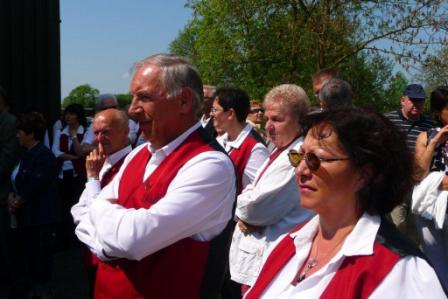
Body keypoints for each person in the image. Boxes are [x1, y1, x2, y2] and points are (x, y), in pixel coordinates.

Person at [74, 53, 236, 299]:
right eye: (133, 98)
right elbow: (79, 211)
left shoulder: (211, 165)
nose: (132, 110)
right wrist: (109, 244)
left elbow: (132, 239)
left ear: (183, 101)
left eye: (144, 97)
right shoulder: (138, 154)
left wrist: (101, 217)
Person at [245, 107, 446, 299]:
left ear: (363, 175)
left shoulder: (401, 272)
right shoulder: (290, 243)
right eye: (298, 157)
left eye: (317, 159)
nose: (300, 171)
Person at [229, 84, 314, 296]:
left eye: (277, 119)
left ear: (299, 121)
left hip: (273, 259)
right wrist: (247, 199)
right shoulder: (280, 149)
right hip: (260, 257)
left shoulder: (295, 157)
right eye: (267, 119)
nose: (268, 126)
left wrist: (242, 207)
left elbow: (254, 209)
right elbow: (252, 196)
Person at [71, 108, 132, 298]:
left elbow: (105, 218)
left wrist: (92, 178)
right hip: (94, 254)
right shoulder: (100, 160)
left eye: (106, 132)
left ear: (125, 132)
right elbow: (78, 209)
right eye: (96, 133)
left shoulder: (131, 165)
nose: (99, 138)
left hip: (115, 263)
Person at [9, 112, 58, 299]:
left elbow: (36, 185)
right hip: (27, 219)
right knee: (31, 262)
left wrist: (18, 199)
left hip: (40, 220)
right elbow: (17, 180)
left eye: (20, 131)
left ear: (31, 133)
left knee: (40, 263)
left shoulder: (43, 156)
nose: (17, 135)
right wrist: (12, 196)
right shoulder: (26, 155)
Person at [385, 84, 434, 239]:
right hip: (396, 184)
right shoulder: (387, 120)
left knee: (416, 231)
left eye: (420, 101)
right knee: (397, 226)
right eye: (413, 100)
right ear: (403, 100)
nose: (416, 105)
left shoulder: (430, 126)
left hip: (419, 185)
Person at [413, 86, 448, 291]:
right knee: (436, 261)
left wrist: (435, 182)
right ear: (436, 112)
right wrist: (435, 142)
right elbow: (418, 174)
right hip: (428, 211)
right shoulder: (425, 137)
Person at [212, 87, 269, 192]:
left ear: (230, 114)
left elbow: (259, 193)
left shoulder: (256, 149)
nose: (212, 114)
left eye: (215, 110)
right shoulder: (220, 141)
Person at [52, 103, 88, 249]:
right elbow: (56, 152)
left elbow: (81, 152)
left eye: (72, 113)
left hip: (79, 175)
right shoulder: (60, 132)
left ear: (78, 116)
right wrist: (74, 158)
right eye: (67, 113)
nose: (68, 116)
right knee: (64, 207)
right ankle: (65, 239)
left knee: (78, 206)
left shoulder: (85, 131)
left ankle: (78, 238)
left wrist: (74, 137)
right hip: (63, 175)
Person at [0, 86, 21, 296]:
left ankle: (15, 282)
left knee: (8, 243)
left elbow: (8, 157)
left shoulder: (9, 122)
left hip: (5, 193)